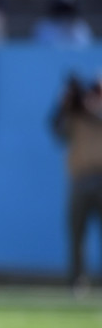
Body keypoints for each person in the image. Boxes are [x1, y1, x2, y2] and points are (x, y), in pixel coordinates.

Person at [51, 75, 102, 294]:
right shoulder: (76, 113)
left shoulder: (92, 111)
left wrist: (87, 106)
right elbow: (57, 131)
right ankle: (77, 282)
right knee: (77, 235)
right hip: (79, 179)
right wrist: (64, 106)